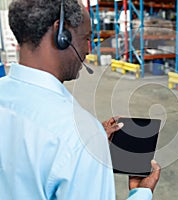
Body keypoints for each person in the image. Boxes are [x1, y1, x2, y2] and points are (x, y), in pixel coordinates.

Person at [0, 0, 160, 199]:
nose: (89, 49)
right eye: (86, 38)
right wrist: (142, 192)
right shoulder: (80, 135)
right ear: (62, 35)